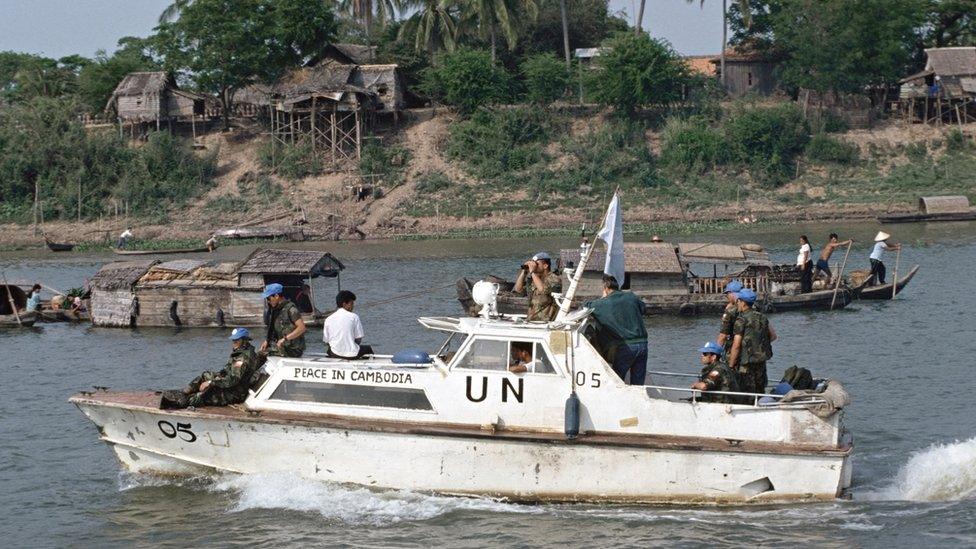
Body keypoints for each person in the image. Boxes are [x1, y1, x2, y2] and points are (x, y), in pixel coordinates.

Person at [165, 328, 260, 409]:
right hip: (230, 385)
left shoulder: (242, 358)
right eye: (233, 341)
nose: (233, 343)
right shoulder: (241, 352)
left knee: (203, 395)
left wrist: (212, 382)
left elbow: (234, 379)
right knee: (206, 375)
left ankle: (178, 403)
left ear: (244, 341)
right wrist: (215, 377)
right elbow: (226, 371)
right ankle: (184, 393)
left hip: (235, 392)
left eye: (236, 341)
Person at [584, 274, 648, 385]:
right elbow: (643, 308)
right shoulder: (631, 296)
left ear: (605, 288)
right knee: (638, 384)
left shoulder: (601, 303)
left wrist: (603, 298)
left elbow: (586, 306)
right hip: (643, 345)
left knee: (617, 382)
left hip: (625, 347)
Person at [728, 288, 777, 395]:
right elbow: (773, 336)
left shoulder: (741, 320)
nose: (737, 304)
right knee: (760, 391)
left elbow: (736, 345)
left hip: (747, 363)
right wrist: (758, 345)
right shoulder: (762, 317)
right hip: (761, 361)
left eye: (738, 301)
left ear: (742, 302)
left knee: (746, 392)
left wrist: (731, 366)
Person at [322, 290, 373, 359]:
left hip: (335, 353)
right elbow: (359, 338)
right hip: (352, 354)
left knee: (330, 349)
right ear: (344, 304)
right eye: (351, 303)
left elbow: (326, 341)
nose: (353, 306)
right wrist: (350, 345)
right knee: (368, 348)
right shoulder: (354, 317)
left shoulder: (328, 319)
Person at [260, 283, 306, 357]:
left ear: (276, 296)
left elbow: (302, 328)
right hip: (282, 346)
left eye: (268, 298)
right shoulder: (275, 310)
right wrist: (267, 341)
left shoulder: (291, 309)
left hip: (293, 349)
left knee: (262, 354)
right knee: (261, 351)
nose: (268, 301)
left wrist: (285, 339)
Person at [513, 252, 562, 321]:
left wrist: (532, 272)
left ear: (545, 266)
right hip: (531, 320)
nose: (534, 266)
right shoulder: (534, 279)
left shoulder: (554, 278)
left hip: (546, 321)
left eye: (537, 264)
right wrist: (524, 271)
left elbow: (543, 290)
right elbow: (518, 289)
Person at [716, 280, 743, 352]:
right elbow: (773, 336)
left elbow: (723, 336)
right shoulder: (754, 308)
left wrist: (715, 352)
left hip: (735, 352)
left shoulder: (730, 311)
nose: (727, 297)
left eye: (727, 294)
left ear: (731, 293)